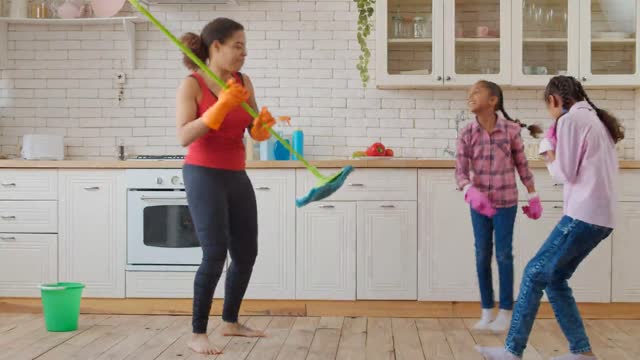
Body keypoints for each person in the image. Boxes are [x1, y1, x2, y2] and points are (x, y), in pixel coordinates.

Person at [476, 76, 624, 360]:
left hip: (584, 214)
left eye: (549, 108)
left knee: (534, 272)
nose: (551, 114)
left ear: (554, 100)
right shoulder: (596, 120)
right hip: (601, 217)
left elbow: (562, 174)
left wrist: (546, 151)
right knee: (554, 278)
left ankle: (511, 351)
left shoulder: (570, 121)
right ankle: (581, 353)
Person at [175, 18, 276, 355]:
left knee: (246, 253)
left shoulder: (242, 81)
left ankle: (230, 322)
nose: (244, 53)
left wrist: (261, 126)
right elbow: (184, 135)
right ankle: (198, 333)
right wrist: (221, 105)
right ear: (215, 46)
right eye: (238, 46)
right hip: (203, 174)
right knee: (215, 253)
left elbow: (252, 132)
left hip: (236, 174)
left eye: (245, 47)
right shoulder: (192, 85)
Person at [455, 80, 543, 333]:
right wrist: (469, 190)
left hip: (506, 202)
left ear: (493, 100)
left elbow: (522, 165)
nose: (470, 95)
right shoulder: (467, 133)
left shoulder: (511, 131)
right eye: (469, 92)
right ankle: (486, 311)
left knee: (504, 254)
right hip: (479, 204)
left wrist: (533, 194)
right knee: (482, 253)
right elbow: (460, 172)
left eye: (476, 92)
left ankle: (506, 311)